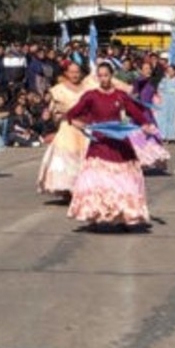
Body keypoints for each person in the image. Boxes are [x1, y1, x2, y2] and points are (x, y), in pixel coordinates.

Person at [64, 63, 157, 231]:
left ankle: (124, 215)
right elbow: (72, 114)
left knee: (124, 182)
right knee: (97, 181)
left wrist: (145, 125)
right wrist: (80, 125)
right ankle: (95, 215)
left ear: (111, 75)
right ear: (97, 77)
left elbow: (135, 112)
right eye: (100, 75)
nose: (103, 78)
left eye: (106, 75)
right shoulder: (90, 96)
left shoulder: (120, 96)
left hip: (119, 142)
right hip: (99, 143)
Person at [37, 62, 97, 198]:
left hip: (86, 127)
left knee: (87, 157)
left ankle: (85, 187)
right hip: (68, 127)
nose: (75, 75)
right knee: (67, 157)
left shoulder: (89, 88)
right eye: (72, 72)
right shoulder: (59, 90)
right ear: (66, 73)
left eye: (77, 72)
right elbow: (54, 113)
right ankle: (68, 189)